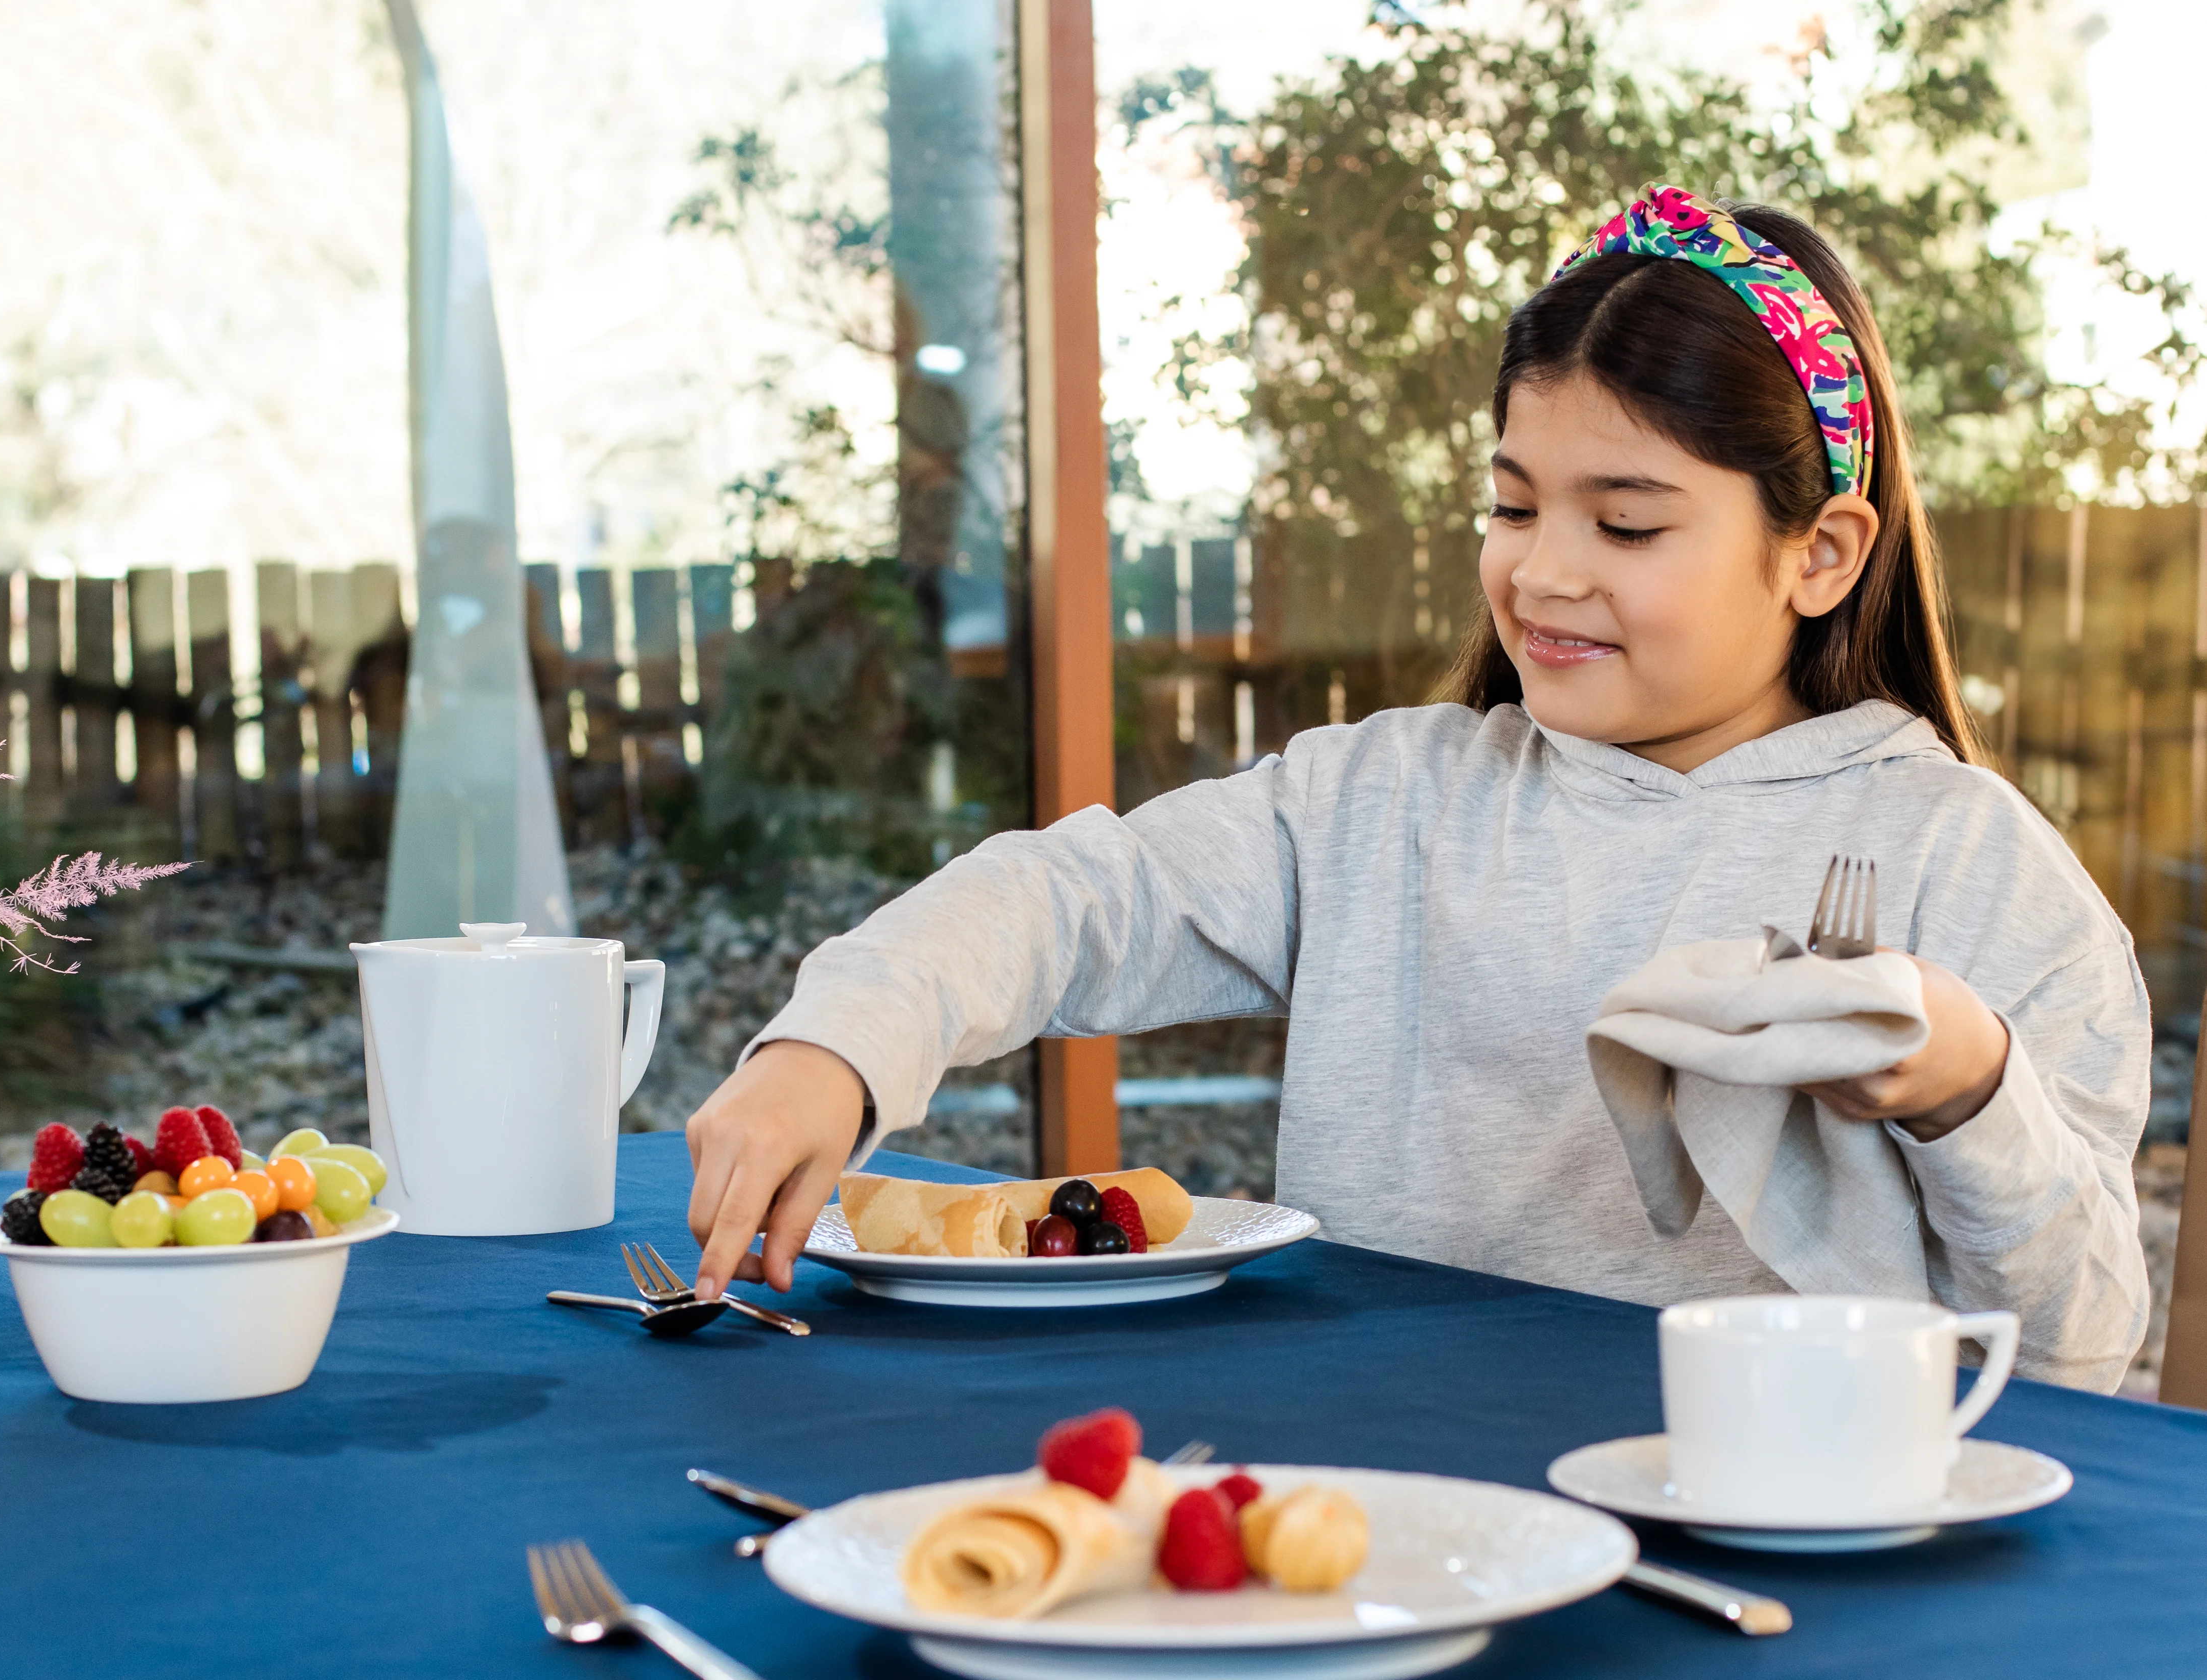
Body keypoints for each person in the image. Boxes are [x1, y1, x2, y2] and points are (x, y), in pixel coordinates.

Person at [682, 185, 2150, 1391]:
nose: (1543, 571)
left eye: (1625, 524)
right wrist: (837, 1043)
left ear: (1818, 555)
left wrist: (1966, 1085)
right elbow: (1072, 896)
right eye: (1511, 505)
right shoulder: (1383, 800)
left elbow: (2084, 1341)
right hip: (1381, 1507)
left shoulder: (1966, 865)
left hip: (1751, 1540)